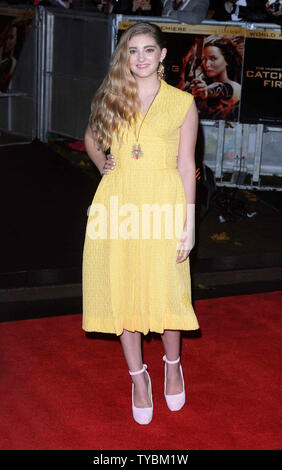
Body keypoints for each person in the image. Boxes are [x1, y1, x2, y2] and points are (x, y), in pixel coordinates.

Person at [82, 21, 200, 425]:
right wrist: (103, 164)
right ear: (124, 56)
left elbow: (187, 165)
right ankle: (138, 378)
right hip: (118, 203)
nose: (141, 58)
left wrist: (189, 224)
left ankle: (172, 365)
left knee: (167, 289)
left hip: (164, 204)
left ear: (163, 55)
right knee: (124, 287)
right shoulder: (112, 95)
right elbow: (91, 138)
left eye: (149, 50)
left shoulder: (182, 102)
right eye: (133, 51)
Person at [187, 35, 242, 121]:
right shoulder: (198, 83)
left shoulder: (235, 87)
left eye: (213, 58)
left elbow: (224, 89)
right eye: (205, 59)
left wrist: (206, 91)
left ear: (227, 60)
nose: (207, 64)